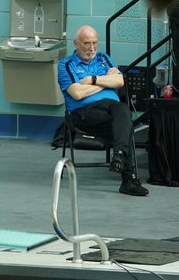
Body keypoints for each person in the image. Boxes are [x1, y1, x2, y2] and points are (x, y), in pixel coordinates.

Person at [56, 25, 149, 196]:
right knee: (124, 126)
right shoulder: (66, 65)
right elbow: (77, 94)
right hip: (83, 112)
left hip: (111, 108)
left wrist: (92, 80)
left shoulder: (103, 58)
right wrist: (106, 81)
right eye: (86, 43)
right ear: (76, 43)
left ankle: (119, 155)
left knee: (122, 110)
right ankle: (128, 179)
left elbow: (120, 82)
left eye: (94, 43)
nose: (92, 48)